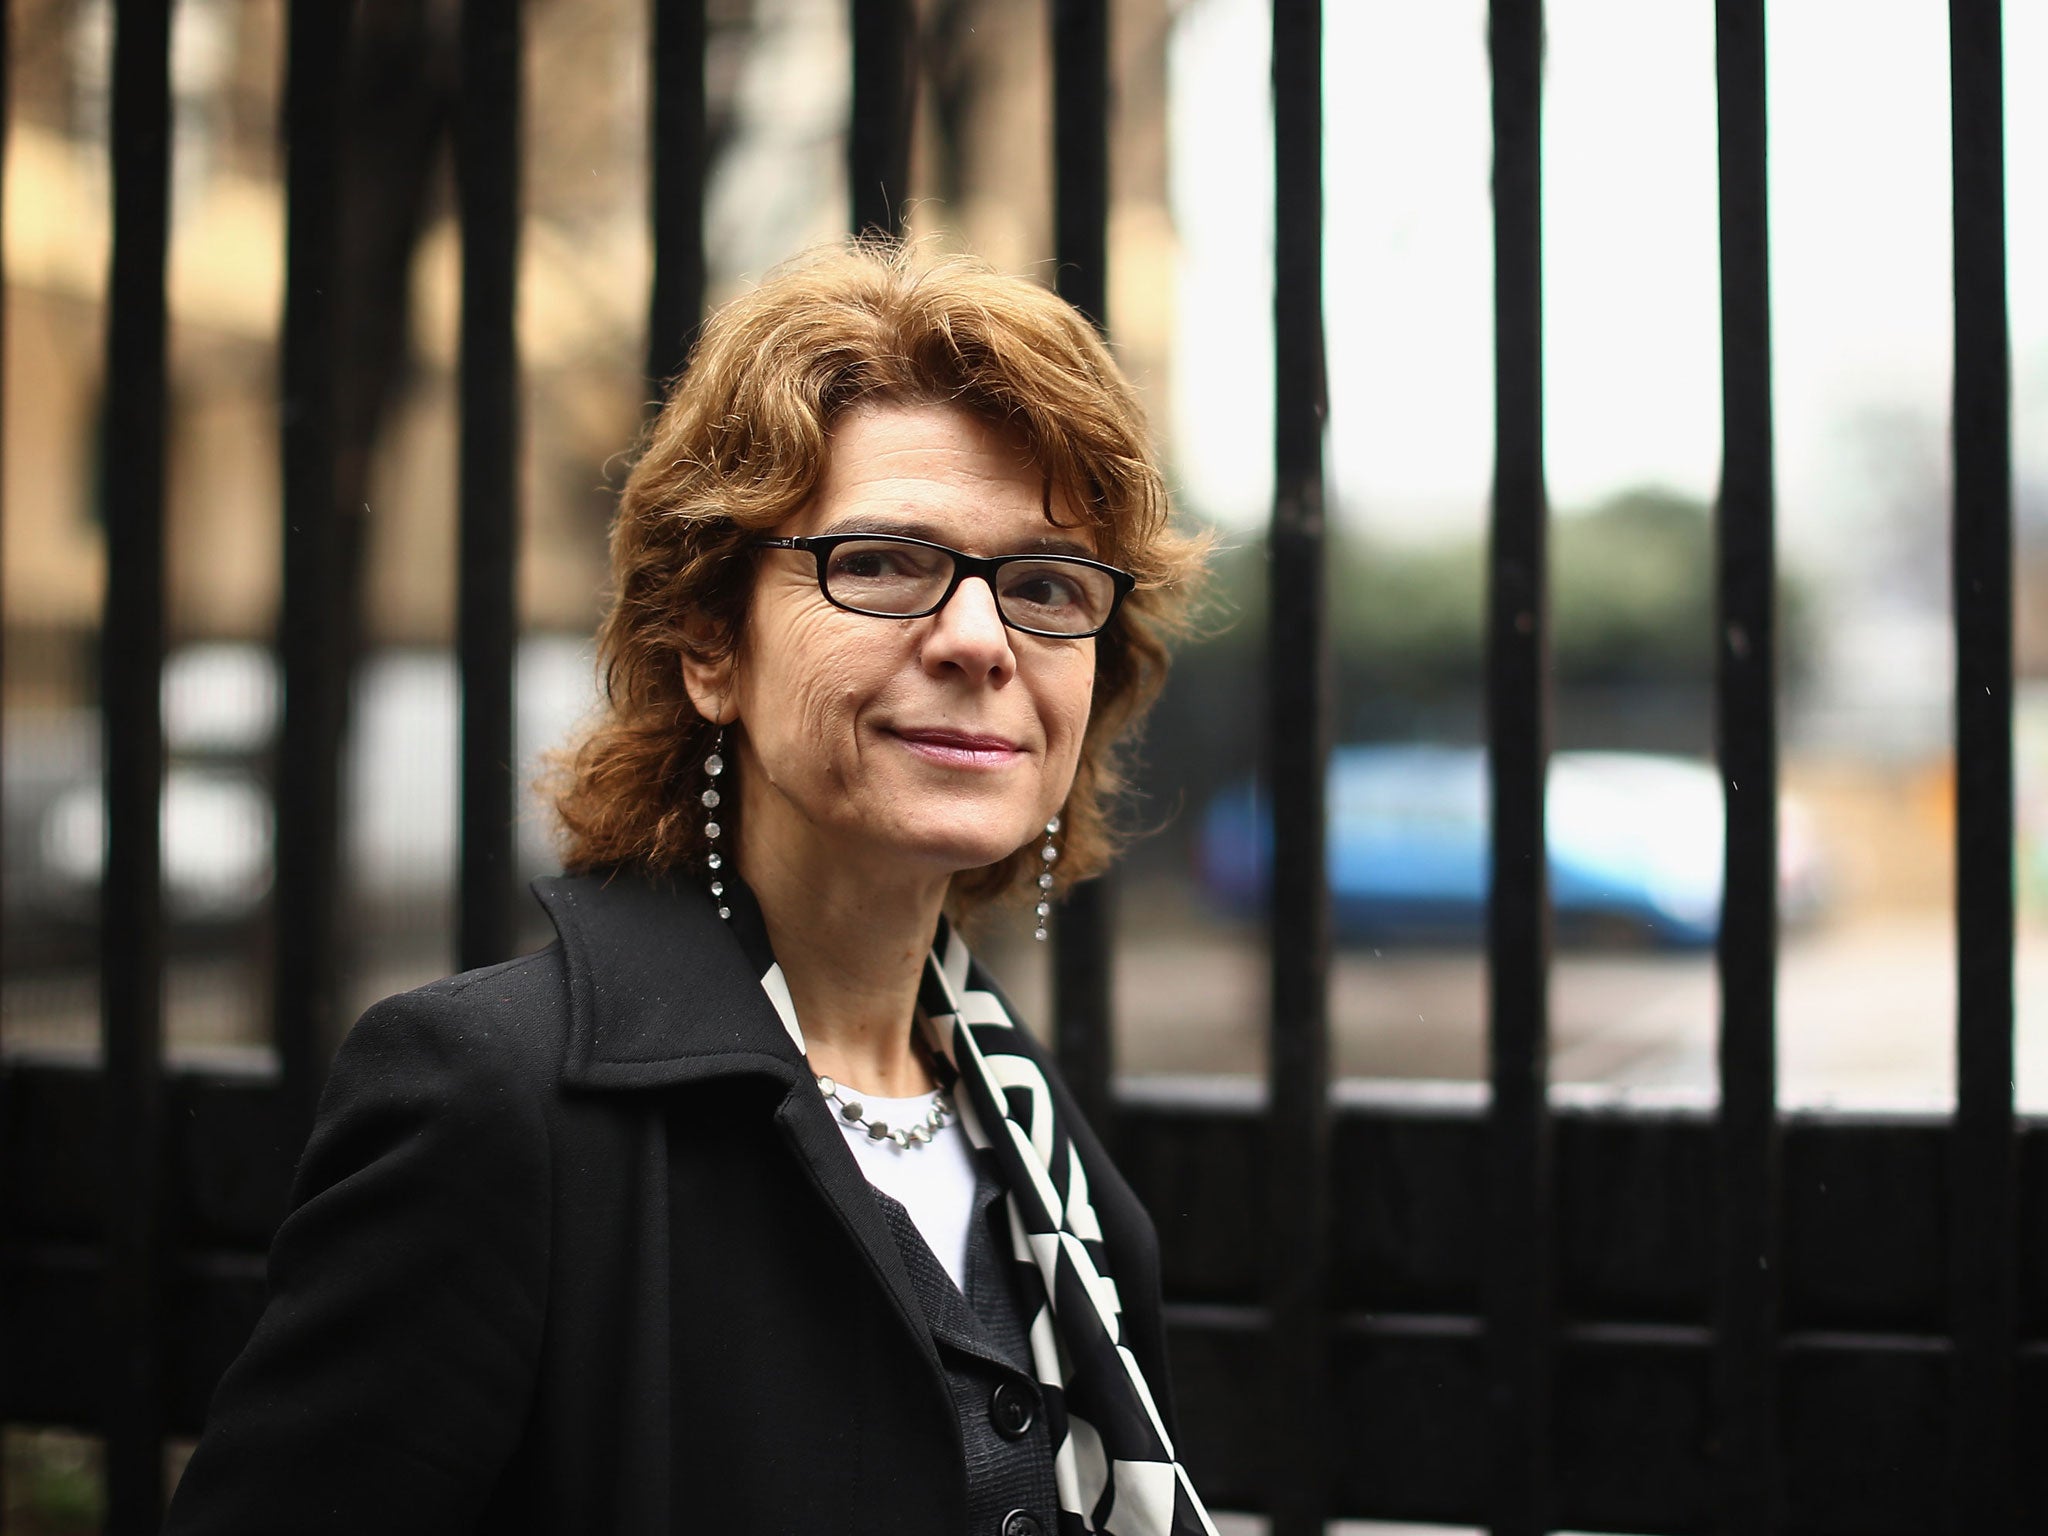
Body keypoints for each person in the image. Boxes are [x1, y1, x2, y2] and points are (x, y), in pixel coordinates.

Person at [163, 241, 1218, 1536]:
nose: (980, 640)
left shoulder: (1057, 1169)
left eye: (1048, 586)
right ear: (709, 642)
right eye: (884, 561)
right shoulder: (492, 1107)